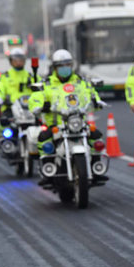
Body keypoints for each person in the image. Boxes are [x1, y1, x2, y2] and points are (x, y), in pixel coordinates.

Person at [29, 49, 107, 185]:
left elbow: (91, 92)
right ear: (55, 67)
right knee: (43, 138)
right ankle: (48, 170)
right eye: (60, 65)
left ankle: (96, 168)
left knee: (96, 136)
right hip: (56, 125)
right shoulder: (47, 84)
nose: (64, 68)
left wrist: (97, 101)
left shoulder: (80, 82)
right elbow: (36, 96)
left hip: (77, 122)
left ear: (71, 65)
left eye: (67, 64)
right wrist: (39, 105)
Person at [0, 48, 38, 143]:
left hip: (28, 109)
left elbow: (41, 88)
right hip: (10, 108)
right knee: (5, 125)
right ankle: (7, 143)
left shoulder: (30, 76)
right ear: (11, 61)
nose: (18, 62)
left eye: (20, 60)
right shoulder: (5, 76)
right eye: (16, 60)